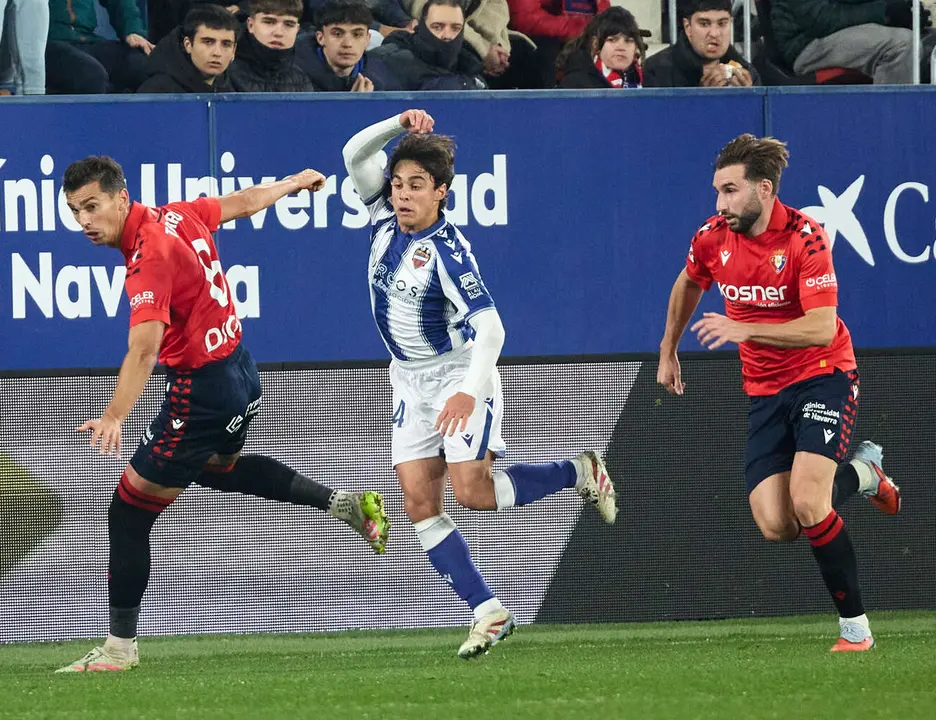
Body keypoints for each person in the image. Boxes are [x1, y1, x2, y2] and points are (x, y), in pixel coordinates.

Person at [55, 156, 390, 673]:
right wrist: (292, 181)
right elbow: (243, 201)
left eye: (93, 207)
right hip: (241, 373)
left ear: (122, 199)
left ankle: (119, 649)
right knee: (220, 469)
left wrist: (115, 415)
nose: (84, 221)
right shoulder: (178, 215)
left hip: (201, 393)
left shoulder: (151, 256)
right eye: (76, 211)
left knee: (127, 512)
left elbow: (144, 351)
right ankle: (340, 503)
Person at [342, 109, 617, 659]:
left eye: (416, 186)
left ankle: (578, 471)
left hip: (459, 376)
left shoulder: (447, 251)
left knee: (473, 493)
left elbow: (491, 327)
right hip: (408, 380)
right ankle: (487, 610)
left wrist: (469, 390)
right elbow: (353, 154)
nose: (402, 195)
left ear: (442, 192)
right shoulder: (381, 218)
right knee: (420, 501)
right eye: (397, 184)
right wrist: (399, 122)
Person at [657, 134, 902, 652]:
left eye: (730, 190)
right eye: (717, 192)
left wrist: (746, 330)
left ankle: (855, 630)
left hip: (823, 373)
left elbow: (820, 327)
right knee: (777, 523)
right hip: (765, 390)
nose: (720, 204)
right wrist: (668, 348)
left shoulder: (805, 238)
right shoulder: (713, 236)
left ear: (763, 189)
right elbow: (688, 281)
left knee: (809, 501)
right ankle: (862, 475)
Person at [643, 0, 759, 88]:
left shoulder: (748, 72)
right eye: (704, 24)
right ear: (688, 27)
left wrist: (750, 97)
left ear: (731, 24)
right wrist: (701, 97)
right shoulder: (656, 71)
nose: (714, 33)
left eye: (722, 23)